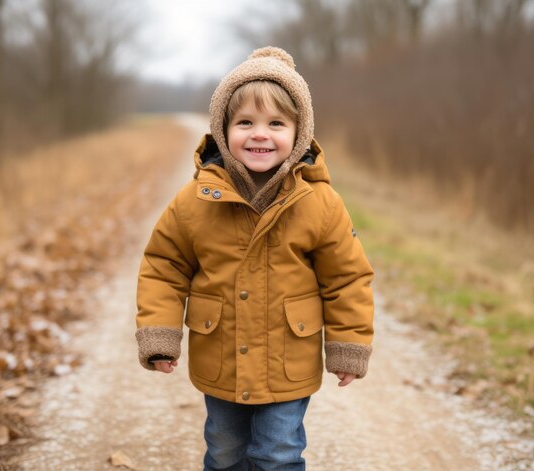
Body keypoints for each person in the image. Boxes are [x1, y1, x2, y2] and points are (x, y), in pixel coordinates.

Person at [135, 47, 374, 471]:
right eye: (245, 122)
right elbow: (164, 268)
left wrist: (348, 346)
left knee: (277, 454)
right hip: (221, 357)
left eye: (276, 124)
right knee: (224, 453)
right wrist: (159, 335)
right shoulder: (196, 199)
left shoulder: (320, 202)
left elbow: (346, 279)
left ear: (299, 133)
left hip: (288, 362)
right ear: (222, 129)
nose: (260, 134)